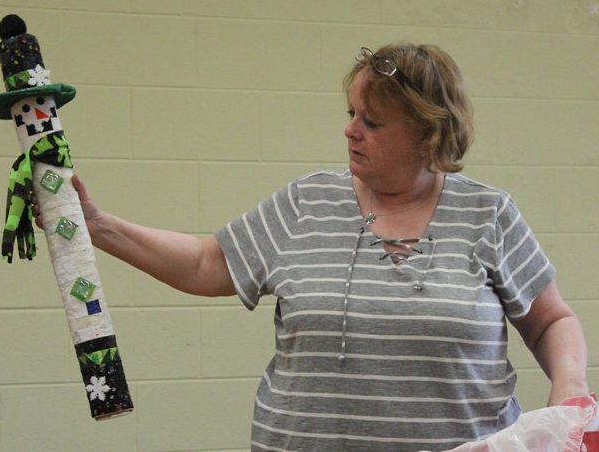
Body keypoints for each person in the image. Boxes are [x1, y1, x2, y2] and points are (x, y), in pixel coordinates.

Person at [34, 43, 588, 451]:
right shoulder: (307, 201)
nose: (350, 131)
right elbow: (206, 262)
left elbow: (551, 321)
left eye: (372, 122)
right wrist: (98, 226)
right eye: (350, 114)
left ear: (427, 132)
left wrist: (570, 390)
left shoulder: (488, 213)